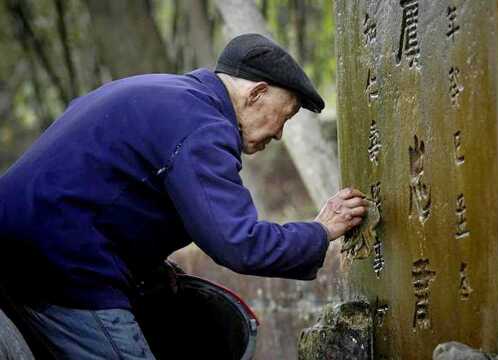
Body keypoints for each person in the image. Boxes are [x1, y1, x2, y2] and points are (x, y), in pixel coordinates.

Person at [0, 33, 368, 359]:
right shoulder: (202, 126)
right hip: (59, 265)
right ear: (257, 93)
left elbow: (102, 193)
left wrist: (149, 268)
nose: (279, 134)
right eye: (284, 117)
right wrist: (320, 231)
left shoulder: (169, 95)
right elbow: (239, 243)